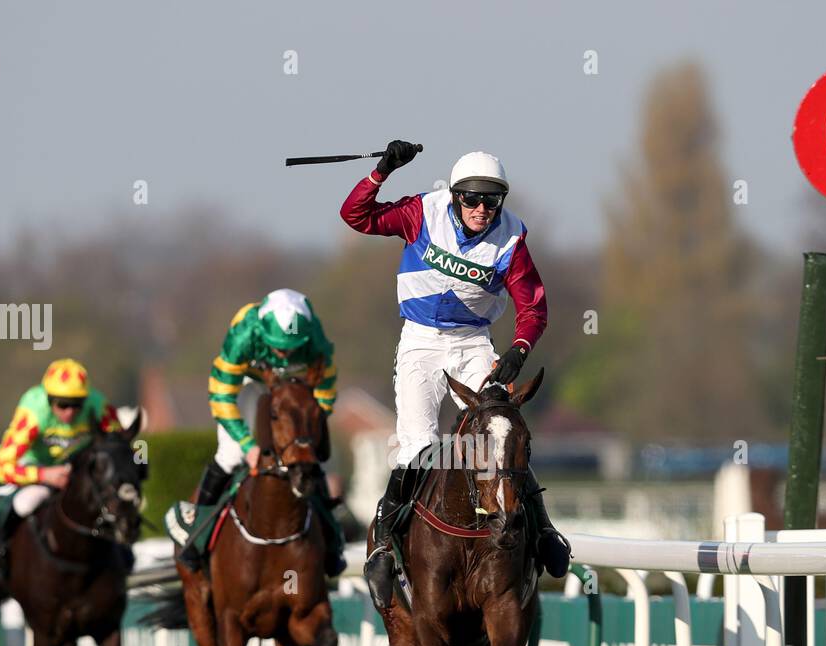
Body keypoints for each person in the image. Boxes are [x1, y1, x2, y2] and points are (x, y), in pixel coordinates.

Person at [339, 140, 571, 606]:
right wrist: (382, 170)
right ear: (455, 196)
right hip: (420, 340)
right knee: (416, 445)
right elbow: (356, 216)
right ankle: (384, 545)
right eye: (473, 198)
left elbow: (534, 307)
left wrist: (518, 351)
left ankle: (543, 531)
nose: (483, 209)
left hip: (472, 342)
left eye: (493, 200)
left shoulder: (511, 239)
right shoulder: (421, 213)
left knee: (501, 436)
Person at [173, 288, 345, 576]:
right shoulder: (244, 335)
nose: (283, 352)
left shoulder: (314, 340)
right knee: (229, 454)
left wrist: (309, 428)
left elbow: (326, 391)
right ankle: (195, 531)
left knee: (308, 457)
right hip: (248, 385)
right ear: (263, 333)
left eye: (290, 347)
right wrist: (248, 444)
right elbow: (221, 395)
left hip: (293, 388)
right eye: (277, 346)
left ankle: (332, 539)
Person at [0, 358, 122, 569]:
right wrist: (44, 475)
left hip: (77, 470)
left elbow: (120, 448)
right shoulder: (34, 411)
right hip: (37, 468)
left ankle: (121, 551)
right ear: (48, 399)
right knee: (26, 502)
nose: (69, 412)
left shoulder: (98, 406)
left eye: (77, 405)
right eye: (62, 404)